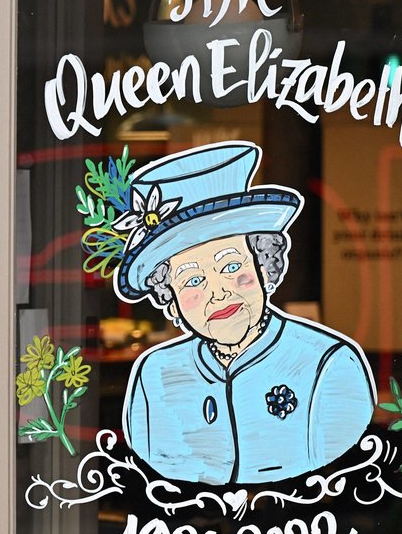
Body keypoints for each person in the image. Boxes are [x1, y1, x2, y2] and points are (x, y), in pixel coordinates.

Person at [113, 142, 375, 485]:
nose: (218, 292)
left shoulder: (329, 364)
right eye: (193, 280)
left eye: (231, 266)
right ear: (171, 299)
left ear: (264, 266)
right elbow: (151, 479)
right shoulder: (155, 375)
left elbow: (347, 483)